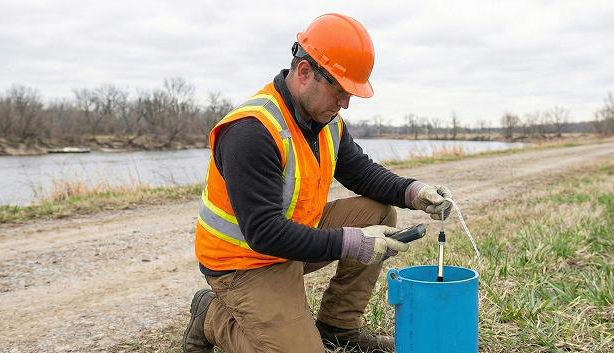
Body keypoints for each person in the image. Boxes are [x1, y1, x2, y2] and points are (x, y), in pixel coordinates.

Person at [182, 13, 453, 353]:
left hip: (292, 240)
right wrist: (351, 243)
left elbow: (362, 173)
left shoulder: (327, 121)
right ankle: (212, 316)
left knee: (379, 212)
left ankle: (339, 326)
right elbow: (264, 233)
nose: (345, 103)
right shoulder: (252, 131)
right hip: (244, 262)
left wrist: (414, 192)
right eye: (339, 91)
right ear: (304, 72)